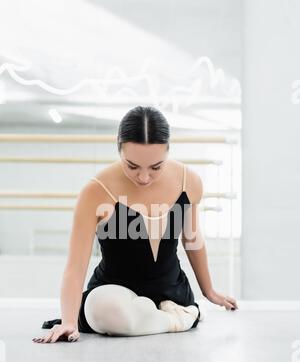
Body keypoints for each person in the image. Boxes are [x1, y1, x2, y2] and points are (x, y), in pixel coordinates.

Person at [33, 106, 238, 344]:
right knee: (105, 308)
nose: (143, 177)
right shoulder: (95, 192)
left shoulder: (188, 181)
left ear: (168, 150)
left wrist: (209, 291)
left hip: (171, 292)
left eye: (156, 167)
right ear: (118, 148)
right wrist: (69, 321)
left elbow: (192, 240)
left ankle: (166, 317)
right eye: (132, 166)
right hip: (112, 294)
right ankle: (175, 321)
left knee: (120, 317)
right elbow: (75, 266)